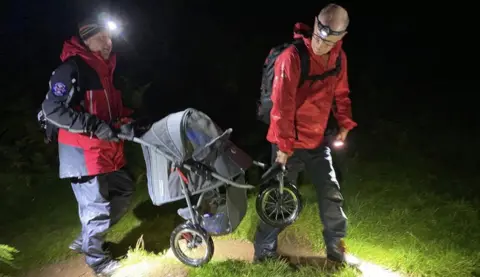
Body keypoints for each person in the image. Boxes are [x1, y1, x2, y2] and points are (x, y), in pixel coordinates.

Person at [253, 4, 357, 264]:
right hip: (287, 141)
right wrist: (284, 147)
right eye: (320, 35)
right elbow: (281, 106)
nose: (322, 43)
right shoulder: (293, 57)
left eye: (330, 39)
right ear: (315, 24)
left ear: (341, 37)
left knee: (331, 192)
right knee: (279, 199)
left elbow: (341, 94)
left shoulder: (339, 58)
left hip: (317, 139)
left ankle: (336, 250)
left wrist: (344, 122)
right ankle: (263, 253)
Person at [41, 17, 135, 276]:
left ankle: (87, 239)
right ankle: (98, 261)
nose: (108, 43)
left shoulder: (105, 70)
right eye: (102, 37)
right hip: (82, 152)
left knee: (125, 191)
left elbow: (111, 109)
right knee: (96, 210)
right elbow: (51, 109)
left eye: (110, 37)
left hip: (107, 150)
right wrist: (93, 125)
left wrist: (128, 120)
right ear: (86, 39)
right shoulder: (72, 68)